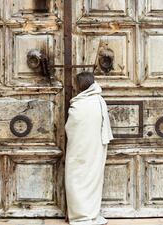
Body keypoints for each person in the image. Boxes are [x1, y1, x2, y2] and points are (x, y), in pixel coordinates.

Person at [65, 72, 114, 225]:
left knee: (76, 178)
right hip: (94, 148)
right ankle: (88, 214)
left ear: (80, 86)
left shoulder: (80, 103)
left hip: (80, 148)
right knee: (92, 179)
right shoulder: (99, 101)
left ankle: (81, 216)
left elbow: (71, 126)